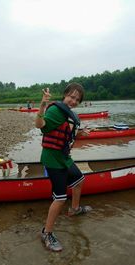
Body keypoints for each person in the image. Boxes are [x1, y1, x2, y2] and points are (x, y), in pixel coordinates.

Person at [35, 83, 92, 252]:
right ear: (64, 95)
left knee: (79, 180)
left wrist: (81, 134)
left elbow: (68, 136)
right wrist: (43, 104)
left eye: (77, 99)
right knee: (59, 198)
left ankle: (74, 209)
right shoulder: (55, 111)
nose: (73, 101)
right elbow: (39, 125)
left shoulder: (70, 115)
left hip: (64, 158)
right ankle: (46, 233)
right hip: (53, 160)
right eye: (71, 96)